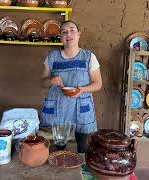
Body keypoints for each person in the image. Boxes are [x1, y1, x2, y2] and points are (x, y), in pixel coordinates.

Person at [40, 20, 102, 153]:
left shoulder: (89, 57)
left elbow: (98, 84)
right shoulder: (52, 57)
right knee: (59, 148)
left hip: (80, 106)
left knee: (82, 147)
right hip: (58, 107)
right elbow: (42, 82)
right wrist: (51, 79)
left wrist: (82, 90)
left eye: (72, 30)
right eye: (64, 32)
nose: (69, 34)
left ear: (79, 34)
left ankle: (81, 169)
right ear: (61, 37)